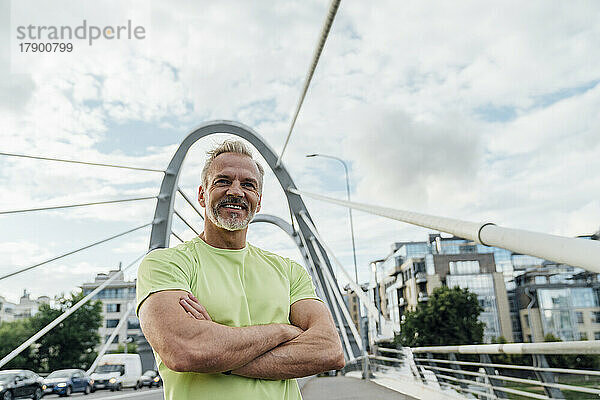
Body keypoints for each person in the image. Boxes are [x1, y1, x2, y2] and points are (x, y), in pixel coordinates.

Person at [136, 139, 344, 400]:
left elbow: (329, 350)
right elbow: (185, 350)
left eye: (248, 185)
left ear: (258, 201)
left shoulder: (290, 271)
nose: (236, 191)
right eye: (223, 181)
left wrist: (218, 351)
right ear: (202, 194)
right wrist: (282, 331)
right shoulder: (166, 264)